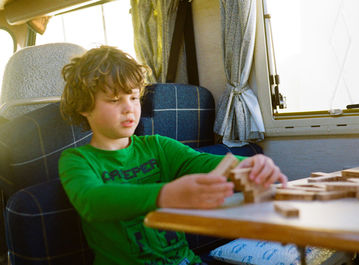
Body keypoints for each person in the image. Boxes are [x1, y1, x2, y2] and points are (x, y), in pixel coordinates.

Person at [58, 45, 287, 265]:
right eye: (114, 100)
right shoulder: (77, 160)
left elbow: (200, 162)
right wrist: (165, 194)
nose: (129, 108)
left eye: (134, 97)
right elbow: (93, 200)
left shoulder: (158, 147)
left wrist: (248, 165)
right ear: (84, 107)